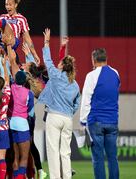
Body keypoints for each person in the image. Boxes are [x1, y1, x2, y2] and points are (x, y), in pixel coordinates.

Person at [38, 28, 81, 179]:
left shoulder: (55, 75)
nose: (58, 63)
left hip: (54, 117)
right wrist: (69, 113)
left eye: (60, 62)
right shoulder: (75, 84)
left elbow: (47, 60)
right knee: (65, 152)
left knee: (53, 151)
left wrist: (47, 42)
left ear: (62, 66)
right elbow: (77, 104)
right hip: (67, 119)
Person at [80, 48, 120, 179]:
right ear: (106, 59)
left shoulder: (91, 76)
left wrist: (82, 122)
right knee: (112, 157)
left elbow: (85, 100)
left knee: (98, 158)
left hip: (96, 121)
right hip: (112, 121)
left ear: (94, 60)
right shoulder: (116, 73)